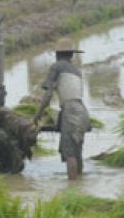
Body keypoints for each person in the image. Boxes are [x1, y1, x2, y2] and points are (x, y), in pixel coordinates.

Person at [33, 38, 90, 180]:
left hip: (70, 111)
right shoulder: (77, 71)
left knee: (69, 154)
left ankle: (71, 189)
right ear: (71, 55)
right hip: (83, 111)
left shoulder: (57, 66)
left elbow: (48, 94)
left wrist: (38, 114)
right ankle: (79, 185)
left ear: (57, 54)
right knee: (77, 153)